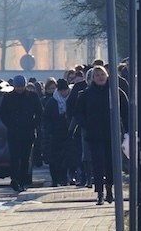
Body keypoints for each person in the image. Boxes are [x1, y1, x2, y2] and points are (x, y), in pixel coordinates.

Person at [74, 65, 129, 205]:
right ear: (93, 78)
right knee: (98, 164)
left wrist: (127, 130)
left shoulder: (116, 92)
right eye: (97, 75)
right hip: (94, 135)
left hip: (112, 134)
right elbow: (78, 113)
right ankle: (99, 192)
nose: (100, 78)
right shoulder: (86, 94)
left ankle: (110, 188)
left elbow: (126, 112)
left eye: (102, 75)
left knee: (111, 163)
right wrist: (86, 124)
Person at [0, 74, 42, 192]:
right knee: (14, 157)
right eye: (17, 87)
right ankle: (14, 179)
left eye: (21, 86)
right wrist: (10, 124)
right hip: (14, 132)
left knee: (25, 158)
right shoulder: (8, 97)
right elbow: (3, 113)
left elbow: (39, 112)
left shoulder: (32, 97)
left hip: (28, 132)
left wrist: (33, 124)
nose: (19, 89)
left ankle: (22, 181)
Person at [41, 78, 74, 186]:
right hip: (54, 135)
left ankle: (64, 178)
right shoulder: (52, 101)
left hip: (68, 133)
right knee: (54, 159)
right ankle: (55, 180)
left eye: (65, 90)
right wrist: (50, 129)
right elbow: (46, 118)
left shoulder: (72, 99)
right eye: (61, 91)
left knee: (66, 158)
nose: (64, 93)